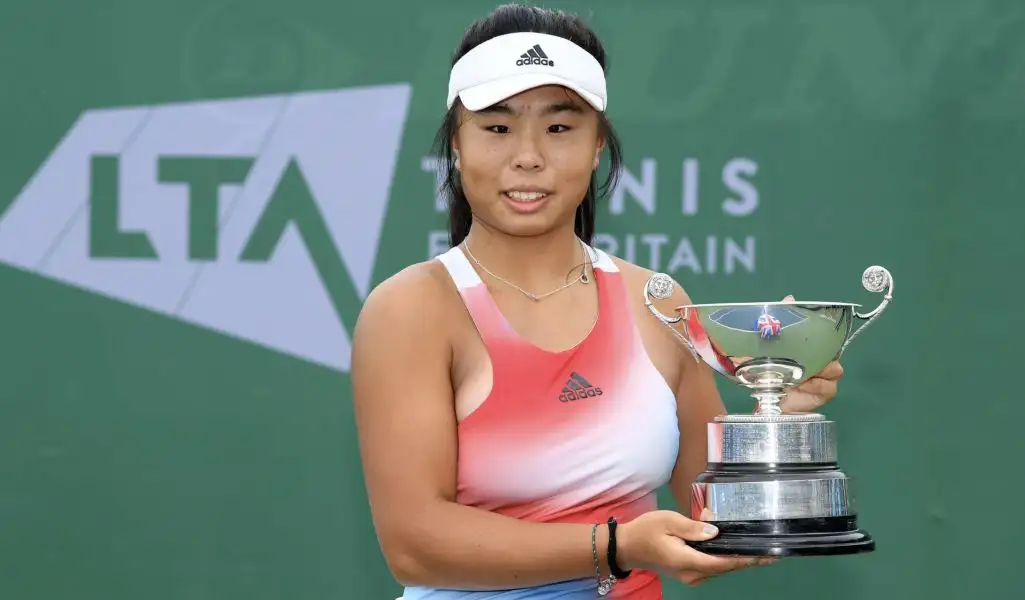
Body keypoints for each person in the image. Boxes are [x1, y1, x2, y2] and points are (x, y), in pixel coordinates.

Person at [351, 4, 845, 599]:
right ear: (456, 143)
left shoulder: (656, 302)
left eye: (559, 128)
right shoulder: (410, 310)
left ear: (597, 145)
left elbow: (715, 525)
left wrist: (779, 418)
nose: (528, 155)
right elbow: (414, 544)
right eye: (497, 127)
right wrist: (617, 545)